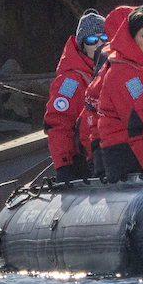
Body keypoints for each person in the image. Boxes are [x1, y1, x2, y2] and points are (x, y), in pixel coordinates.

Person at [91, 5, 143, 181]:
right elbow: (138, 120)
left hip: (139, 148)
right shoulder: (125, 73)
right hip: (127, 155)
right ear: (133, 38)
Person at [43, 10, 109, 178]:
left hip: (106, 152)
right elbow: (58, 124)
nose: (99, 44)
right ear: (82, 46)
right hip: (82, 162)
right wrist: (64, 165)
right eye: (92, 40)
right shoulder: (71, 82)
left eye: (104, 38)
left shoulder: (109, 71)